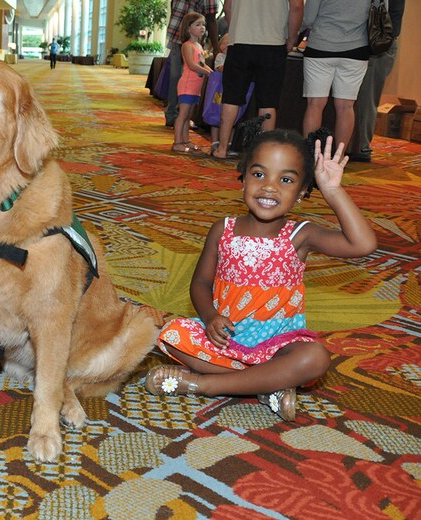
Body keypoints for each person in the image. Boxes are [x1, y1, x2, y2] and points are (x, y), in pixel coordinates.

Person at [147, 130, 377, 421]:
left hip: (279, 344)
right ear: (242, 177)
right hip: (227, 339)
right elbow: (201, 283)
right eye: (258, 174)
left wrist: (332, 191)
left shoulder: (300, 235)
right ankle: (268, 384)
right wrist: (209, 318)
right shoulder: (223, 229)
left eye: (286, 180)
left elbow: (363, 244)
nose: (270, 188)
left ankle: (206, 384)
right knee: (169, 335)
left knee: (315, 358)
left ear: (304, 190)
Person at [212, 0, 304, 159]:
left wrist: (237, 29)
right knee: (268, 102)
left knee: (231, 98)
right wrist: (291, 38)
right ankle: (265, 154)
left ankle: (222, 148)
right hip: (273, 42)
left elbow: (227, 7)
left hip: (239, 42)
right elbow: (296, 7)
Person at [301, 0, 371, 152]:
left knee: (315, 104)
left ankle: (310, 156)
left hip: (320, 46)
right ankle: (338, 158)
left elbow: (308, 18)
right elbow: (379, 13)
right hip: (357, 48)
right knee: (346, 107)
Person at [351, 0, 405, 162]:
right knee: (354, 99)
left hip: (377, 43)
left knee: (366, 99)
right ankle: (353, 145)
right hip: (372, 41)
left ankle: (361, 147)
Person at [164, 0, 220, 128]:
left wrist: (216, 47)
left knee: (191, 78)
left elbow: (211, 19)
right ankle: (173, 115)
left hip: (195, 41)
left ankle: (186, 116)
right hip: (176, 36)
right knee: (175, 76)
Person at [173, 13, 213, 153]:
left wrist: (212, 72)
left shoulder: (199, 46)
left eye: (203, 24)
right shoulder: (187, 45)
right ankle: (177, 142)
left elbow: (201, 63)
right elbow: (191, 65)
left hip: (196, 87)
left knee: (189, 116)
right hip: (187, 85)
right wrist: (208, 72)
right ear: (188, 29)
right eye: (197, 24)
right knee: (183, 115)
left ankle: (185, 140)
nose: (202, 27)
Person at [209, 34, 229, 150]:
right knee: (215, 116)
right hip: (218, 91)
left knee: (230, 118)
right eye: (224, 43)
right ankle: (214, 141)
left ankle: (228, 142)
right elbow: (220, 68)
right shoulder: (220, 56)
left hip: (228, 91)